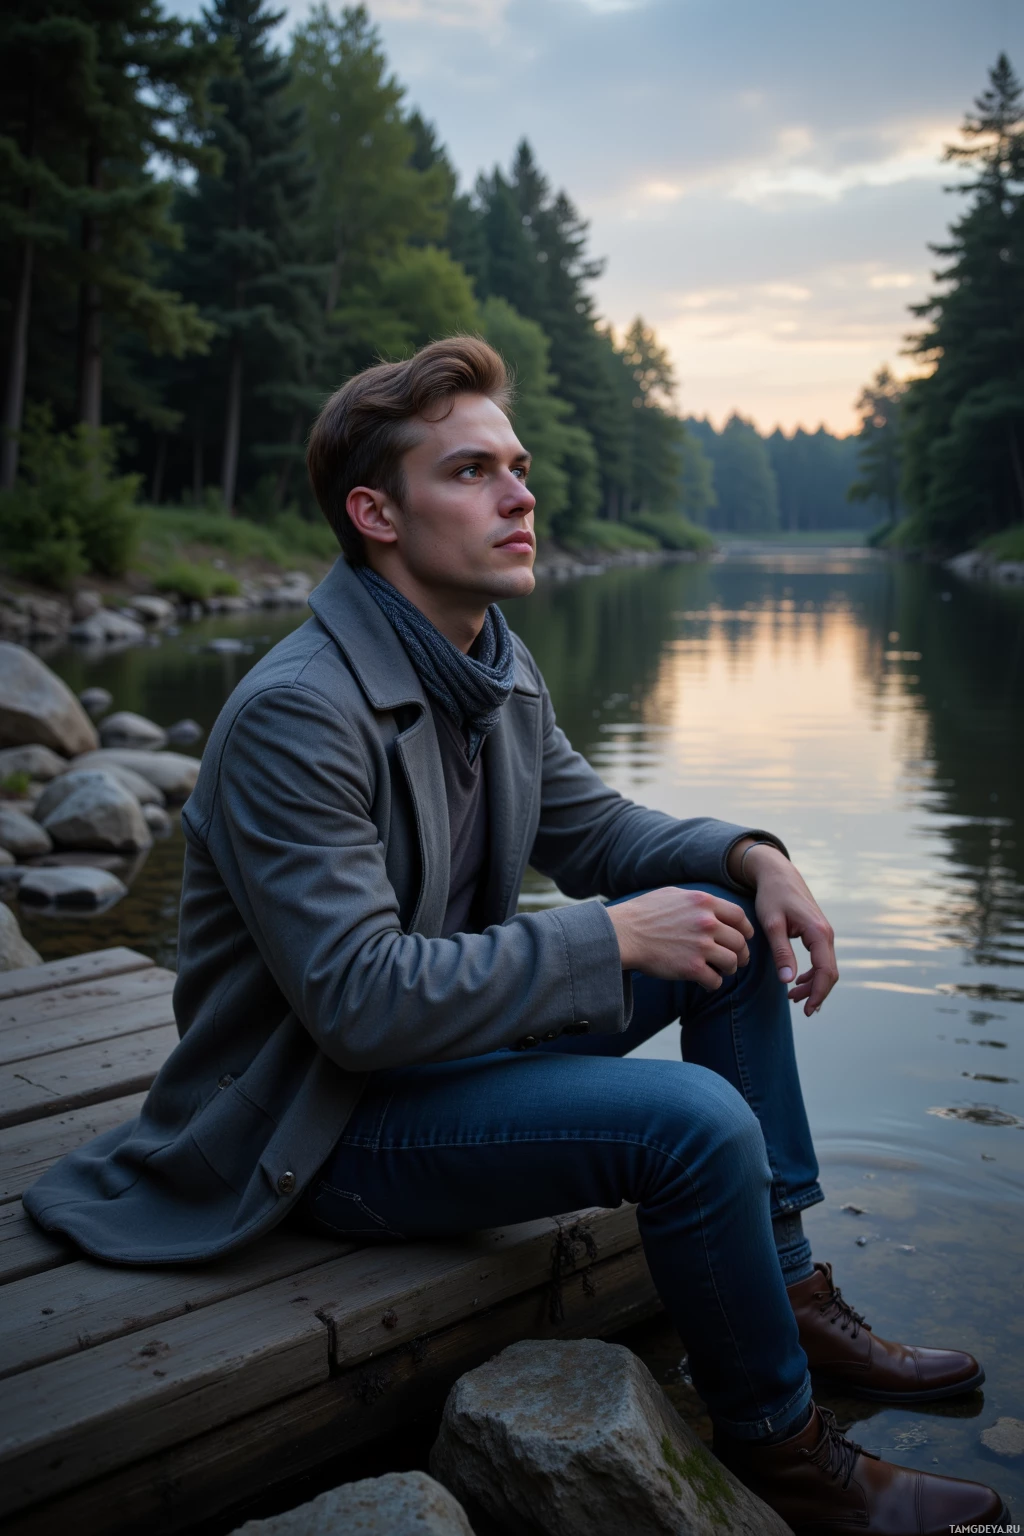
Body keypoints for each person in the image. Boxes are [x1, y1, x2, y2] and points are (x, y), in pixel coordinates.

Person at [25, 338, 1006, 1532]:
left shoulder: (487, 660)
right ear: (375, 514)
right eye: (474, 470)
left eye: (520, 466)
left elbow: (600, 830)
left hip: (428, 1061)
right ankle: (788, 1453)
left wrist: (754, 858)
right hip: (314, 1123)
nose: (521, 494)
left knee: (723, 923)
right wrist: (608, 941)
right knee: (696, 1127)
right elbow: (360, 1003)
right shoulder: (299, 712)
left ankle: (788, 1285)